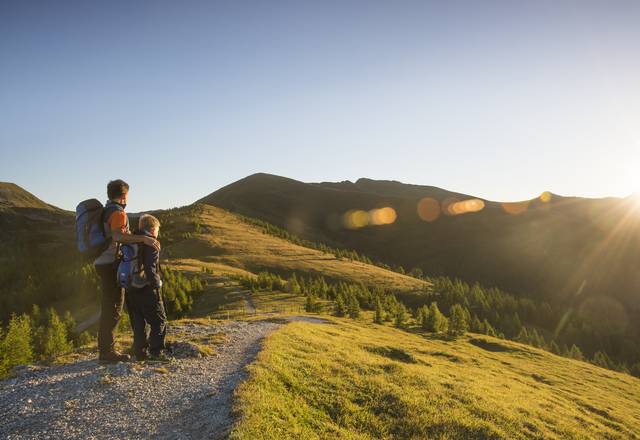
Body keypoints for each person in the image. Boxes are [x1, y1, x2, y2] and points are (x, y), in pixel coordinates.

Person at [94, 180, 160, 363]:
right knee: (113, 307)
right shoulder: (117, 212)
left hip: (102, 262)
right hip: (110, 263)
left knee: (110, 305)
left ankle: (106, 349)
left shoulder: (106, 209)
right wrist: (144, 240)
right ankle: (107, 353)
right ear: (124, 196)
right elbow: (118, 236)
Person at [125, 214, 168, 361]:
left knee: (138, 322)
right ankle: (156, 353)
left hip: (130, 288)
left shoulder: (129, 239)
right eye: (157, 230)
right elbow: (150, 268)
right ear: (152, 228)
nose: (157, 234)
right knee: (158, 321)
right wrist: (157, 284)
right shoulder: (151, 243)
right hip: (146, 288)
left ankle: (139, 352)